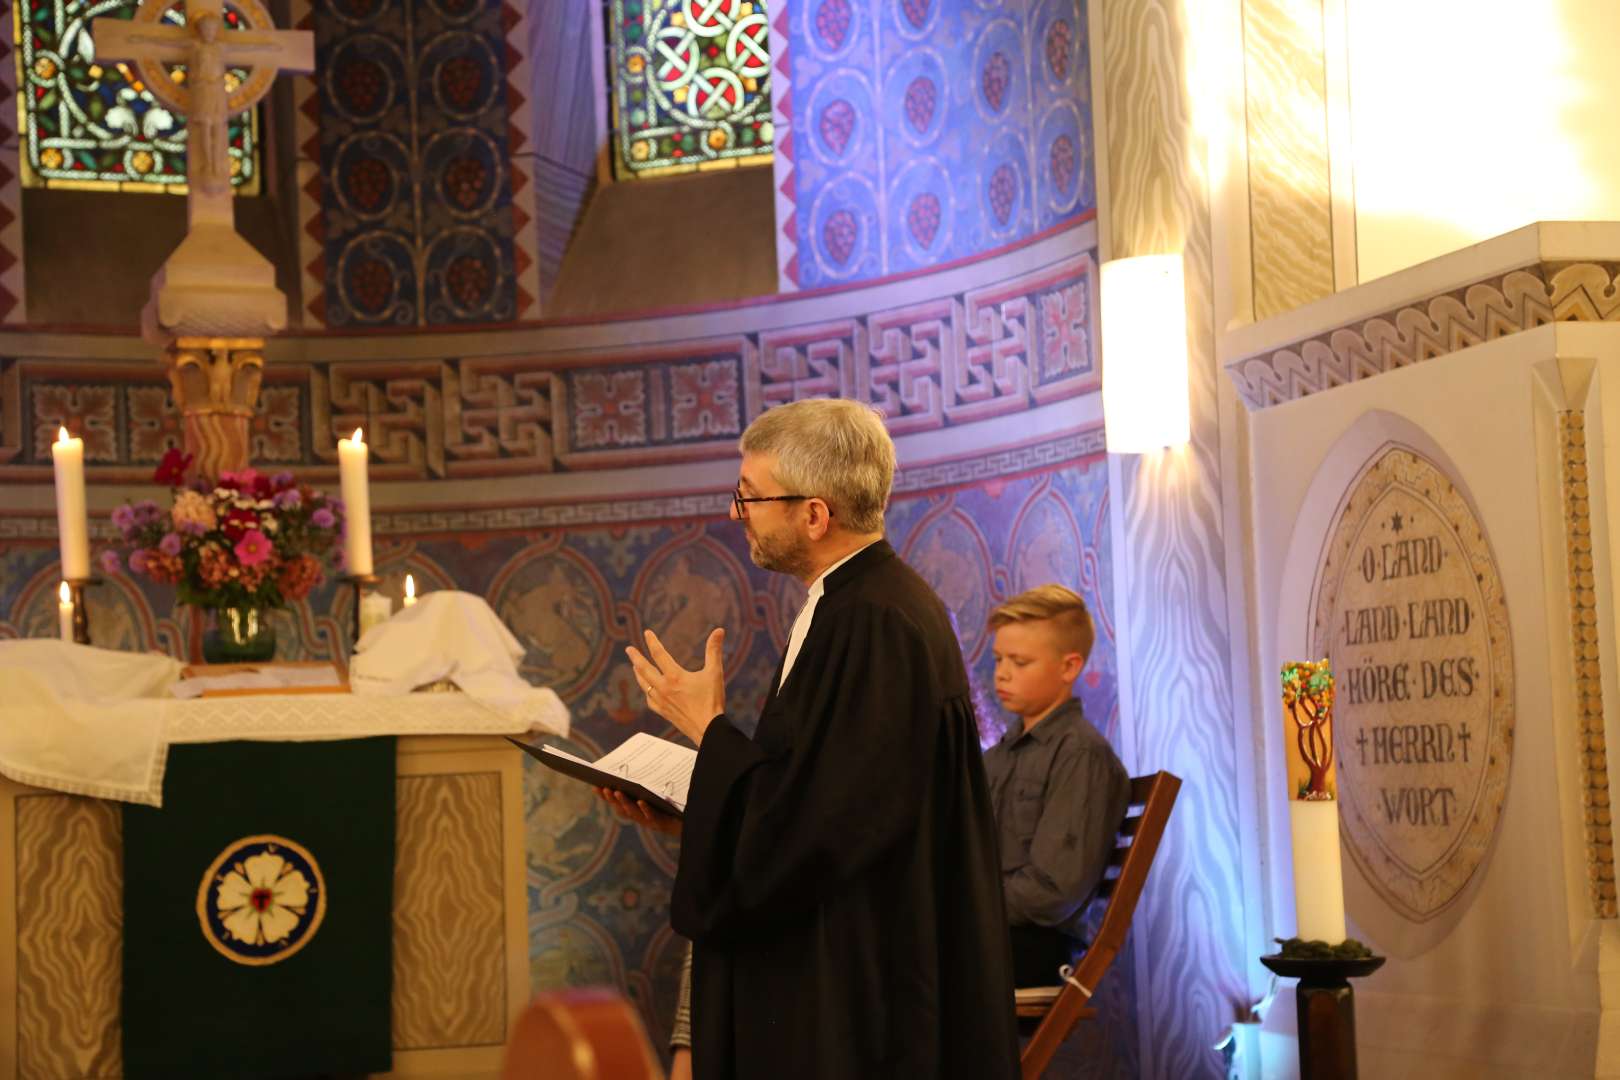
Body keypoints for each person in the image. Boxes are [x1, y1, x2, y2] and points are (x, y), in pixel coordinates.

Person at [613, 398, 1020, 1080]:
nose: (738, 511)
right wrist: (698, 813)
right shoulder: (857, 606)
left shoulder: (873, 622)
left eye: (751, 495)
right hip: (854, 960)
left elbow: (825, 829)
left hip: (863, 991)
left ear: (814, 513)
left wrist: (707, 730)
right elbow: (820, 799)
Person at [984, 585, 1130, 988]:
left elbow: (1053, 891)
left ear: (1069, 667)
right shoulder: (998, 757)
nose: (1002, 672)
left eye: (1020, 661)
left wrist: (963, 902)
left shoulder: (1081, 755)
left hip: (1029, 950)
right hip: (989, 938)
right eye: (998, 659)